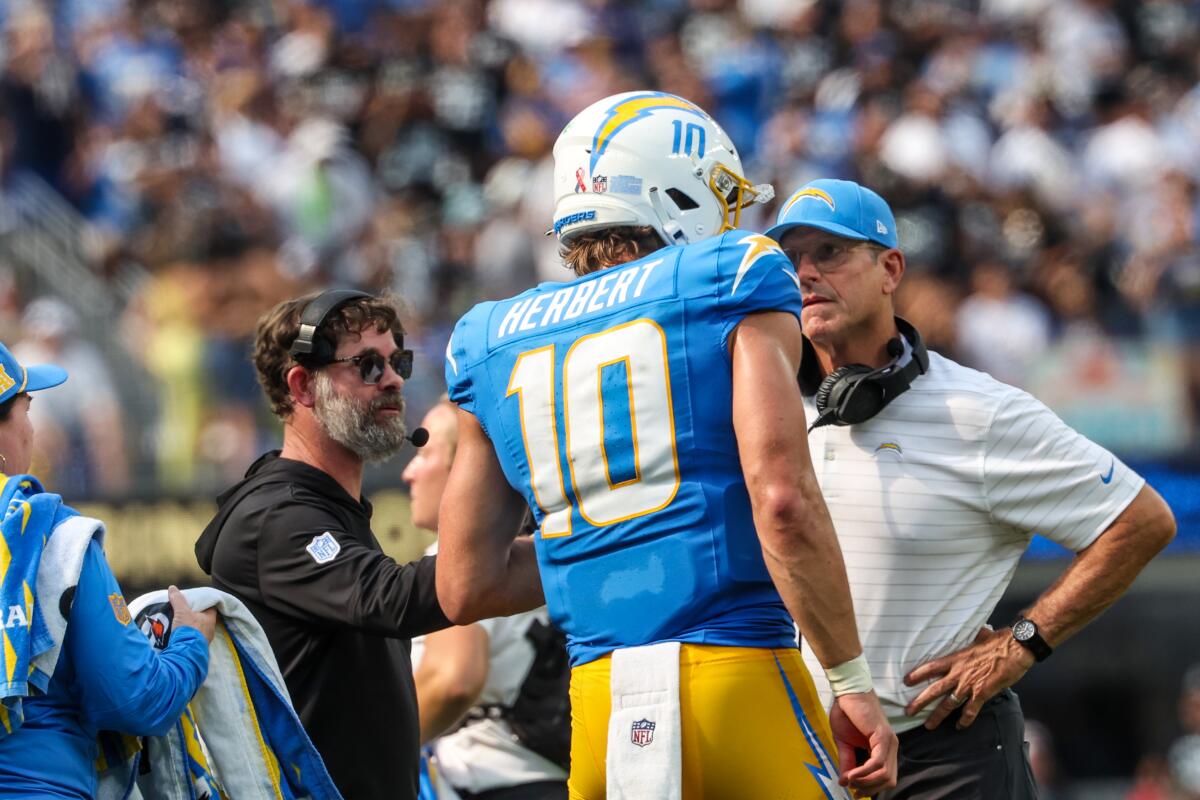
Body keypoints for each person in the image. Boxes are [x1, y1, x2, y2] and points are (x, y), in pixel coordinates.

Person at [435, 91, 898, 799]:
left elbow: (465, 584)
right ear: (672, 192)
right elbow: (781, 502)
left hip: (594, 708)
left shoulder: (488, 335)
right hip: (737, 676)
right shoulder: (731, 274)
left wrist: (610, 541)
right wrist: (851, 682)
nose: (732, 214)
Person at [764, 177, 1177, 800]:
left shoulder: (980, 412)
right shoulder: (768, 408)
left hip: (942, 760)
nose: (806, 273)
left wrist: (1021, 644)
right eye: (791, 258)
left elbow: (1142, 520)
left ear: (889, 269)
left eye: (830, 253)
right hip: (801, 761)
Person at [194, 290, 480, 800]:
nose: (393, 379)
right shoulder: (274, 517)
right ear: (302, 386)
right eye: (368, 366)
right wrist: (561, 551)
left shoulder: (329, 508)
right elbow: (396, 600)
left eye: (399, 362)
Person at [0, 341, 216, 799]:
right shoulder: (53, 535)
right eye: (27, 408)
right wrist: (191, 641)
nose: (32, 430)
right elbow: (137, 700)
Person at [405, 397, 569, 800]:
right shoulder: (538, 548)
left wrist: (369, 755)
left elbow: (454, 678)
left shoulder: (461, 559)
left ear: (465, 469)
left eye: (425, 452)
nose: (409, 472)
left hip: (490, 780)